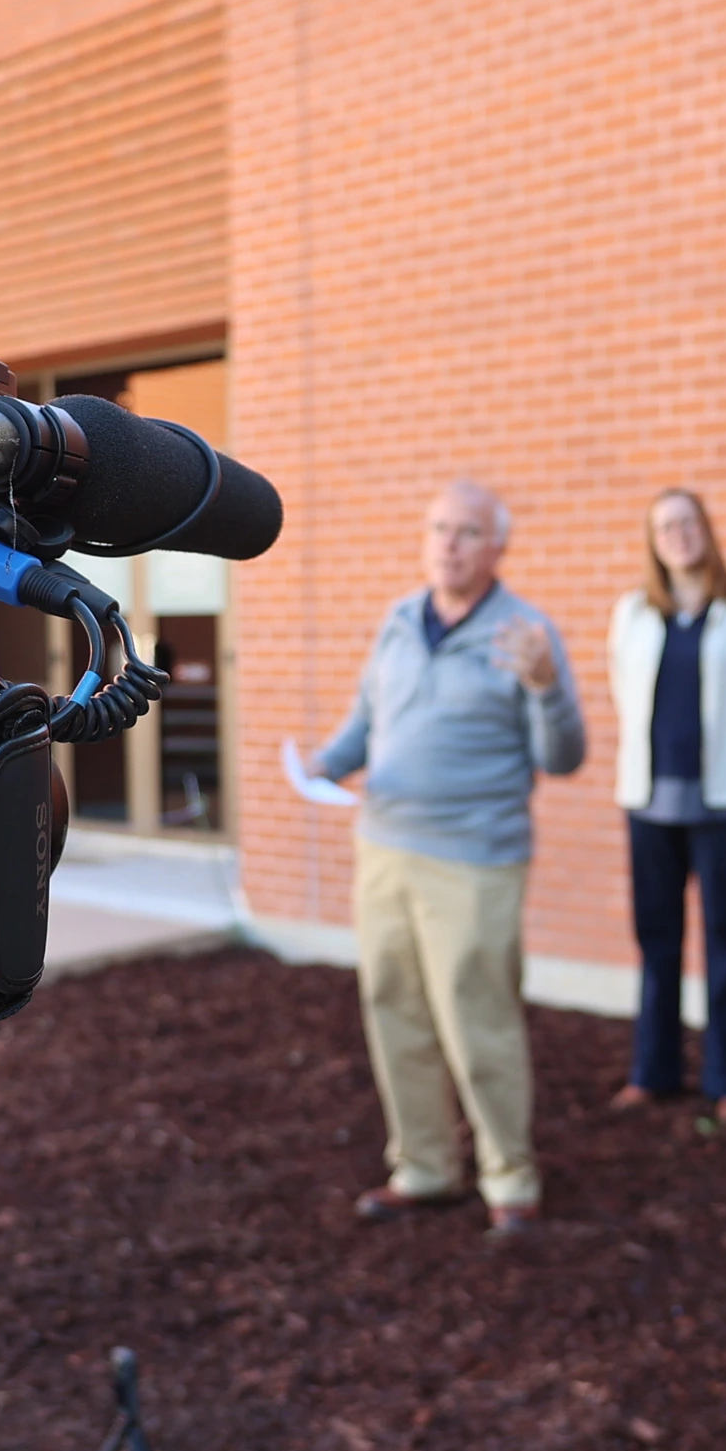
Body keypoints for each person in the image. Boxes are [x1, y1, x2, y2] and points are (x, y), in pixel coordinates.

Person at [310, 478, 587, 1234]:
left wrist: (546, 687)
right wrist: (322, 764)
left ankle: (510, 1179)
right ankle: (425, 1168)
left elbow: (563, 757)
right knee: (393, 1010)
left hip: (475, 859)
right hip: (384, 849)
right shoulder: (399, 620)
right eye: (438, 528)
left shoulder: (527, 632)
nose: (449, 543)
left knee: (477, 1017)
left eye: (466, 531)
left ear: (498, 546)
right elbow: (368, 721)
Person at [608, 487, 726, 1123]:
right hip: (651, 801)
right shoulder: (633, 612)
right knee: (657, 940)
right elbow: (623, 692)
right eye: (665, 527)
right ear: (652, 541)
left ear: (706, 530)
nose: (678, 535)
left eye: (687, 523)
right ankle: (652, 1069)